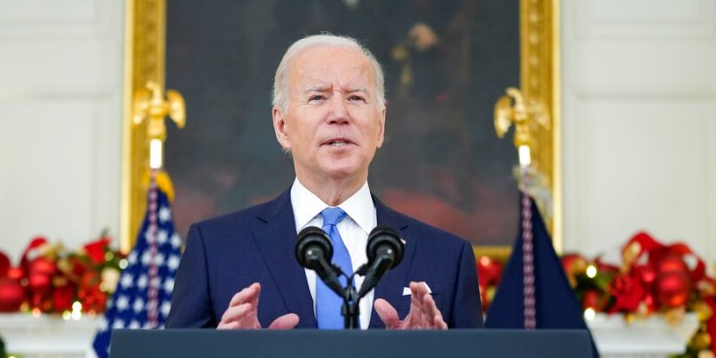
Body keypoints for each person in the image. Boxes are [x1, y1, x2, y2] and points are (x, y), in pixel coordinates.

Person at [165, 34, 482, 330]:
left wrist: (431, 357)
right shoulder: (216, 249)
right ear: (282, 126)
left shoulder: (447, 258)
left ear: (381, 125)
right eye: (318, 97)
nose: (339, 114)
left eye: (356, 98)